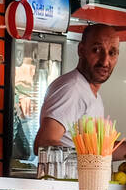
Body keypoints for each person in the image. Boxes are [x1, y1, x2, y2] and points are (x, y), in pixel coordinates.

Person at [35, 23, 120, 154]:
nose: (104, 61)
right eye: (96, 50)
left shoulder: (92, 94)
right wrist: (88, 159)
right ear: (81, 50)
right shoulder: (72, 89)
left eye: (112, 53)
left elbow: (100, 153)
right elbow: (44, 144)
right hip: (64, 175)